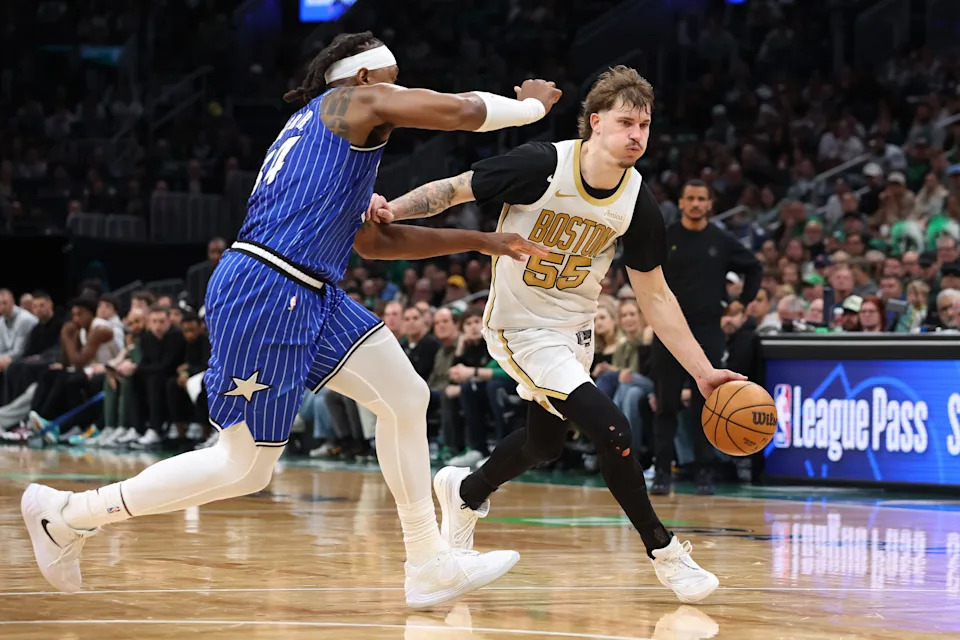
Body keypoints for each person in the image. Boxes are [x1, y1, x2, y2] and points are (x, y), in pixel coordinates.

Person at [20, 30, 560, 608]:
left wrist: (483, 241)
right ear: (362, 80)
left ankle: (427, 561)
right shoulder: (345, 103)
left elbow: (375, 245)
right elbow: (458, 110)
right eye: (393, 79)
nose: (399, 90)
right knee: (245, 466)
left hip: (308, 288)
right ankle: (70, 514)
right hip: (270, 285)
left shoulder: (325, 140)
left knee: (405, 396)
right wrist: (529, 107)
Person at [376, 65, 745, 603]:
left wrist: (704, 371)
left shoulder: (639, 202)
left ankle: (466, 490)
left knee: (543, 444)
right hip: (519, 328)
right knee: (613, 430)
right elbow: (454, 190)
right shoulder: (542, 164)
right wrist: (393, 207)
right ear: (595, 123)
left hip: (573, 332)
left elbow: (656, 296)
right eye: (626, 123)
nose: (637, 135)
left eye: (645, 124)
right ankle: (666, 555)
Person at [651, 179, 762, 496]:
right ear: (682, 203)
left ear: (710, 204)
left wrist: (742, 300)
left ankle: (705, 473)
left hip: (708, 331)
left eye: (702, 198)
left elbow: (753, 268)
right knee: (666, 405)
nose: (696, 204)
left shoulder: (721, 240)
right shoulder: (666, 236)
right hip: (669, 331)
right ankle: (662, 473)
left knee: (709, 405)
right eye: (691, 198)